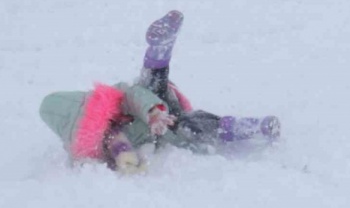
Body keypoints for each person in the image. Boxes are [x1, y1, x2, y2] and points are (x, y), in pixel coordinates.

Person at [39, 11, 280, 174]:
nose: (109, 133)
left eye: (101, 124)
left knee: (150, 84)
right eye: (99, 134)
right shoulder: (99, 149)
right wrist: (125, 161)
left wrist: (153, 112)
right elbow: (89, 167)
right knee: (190, 127)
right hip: (171, 125)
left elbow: (135, 94)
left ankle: (160, 48)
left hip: (158, 105)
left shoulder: (116, 99)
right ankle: (248, 127)